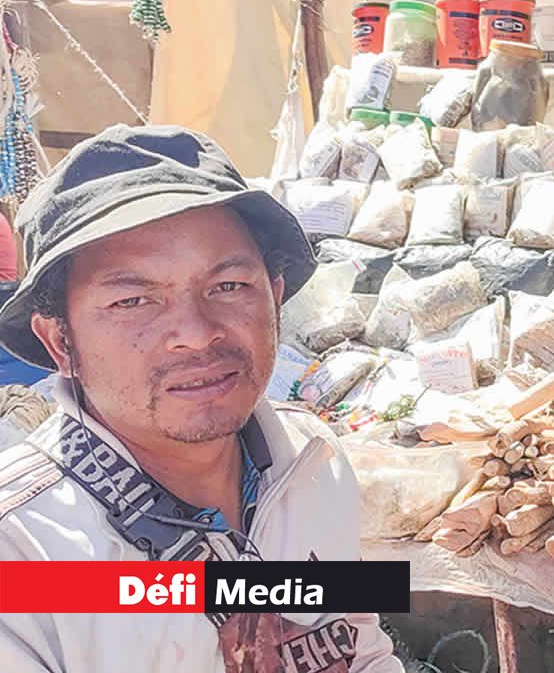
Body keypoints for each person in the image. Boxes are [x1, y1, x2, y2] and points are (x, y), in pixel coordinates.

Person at [0, 126, 403, 673]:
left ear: (276, 300)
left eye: (228, 287)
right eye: (133, 300)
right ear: (59, 342)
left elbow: (359, 648)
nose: (195, 332)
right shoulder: (24, 555)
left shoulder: (312, 462)